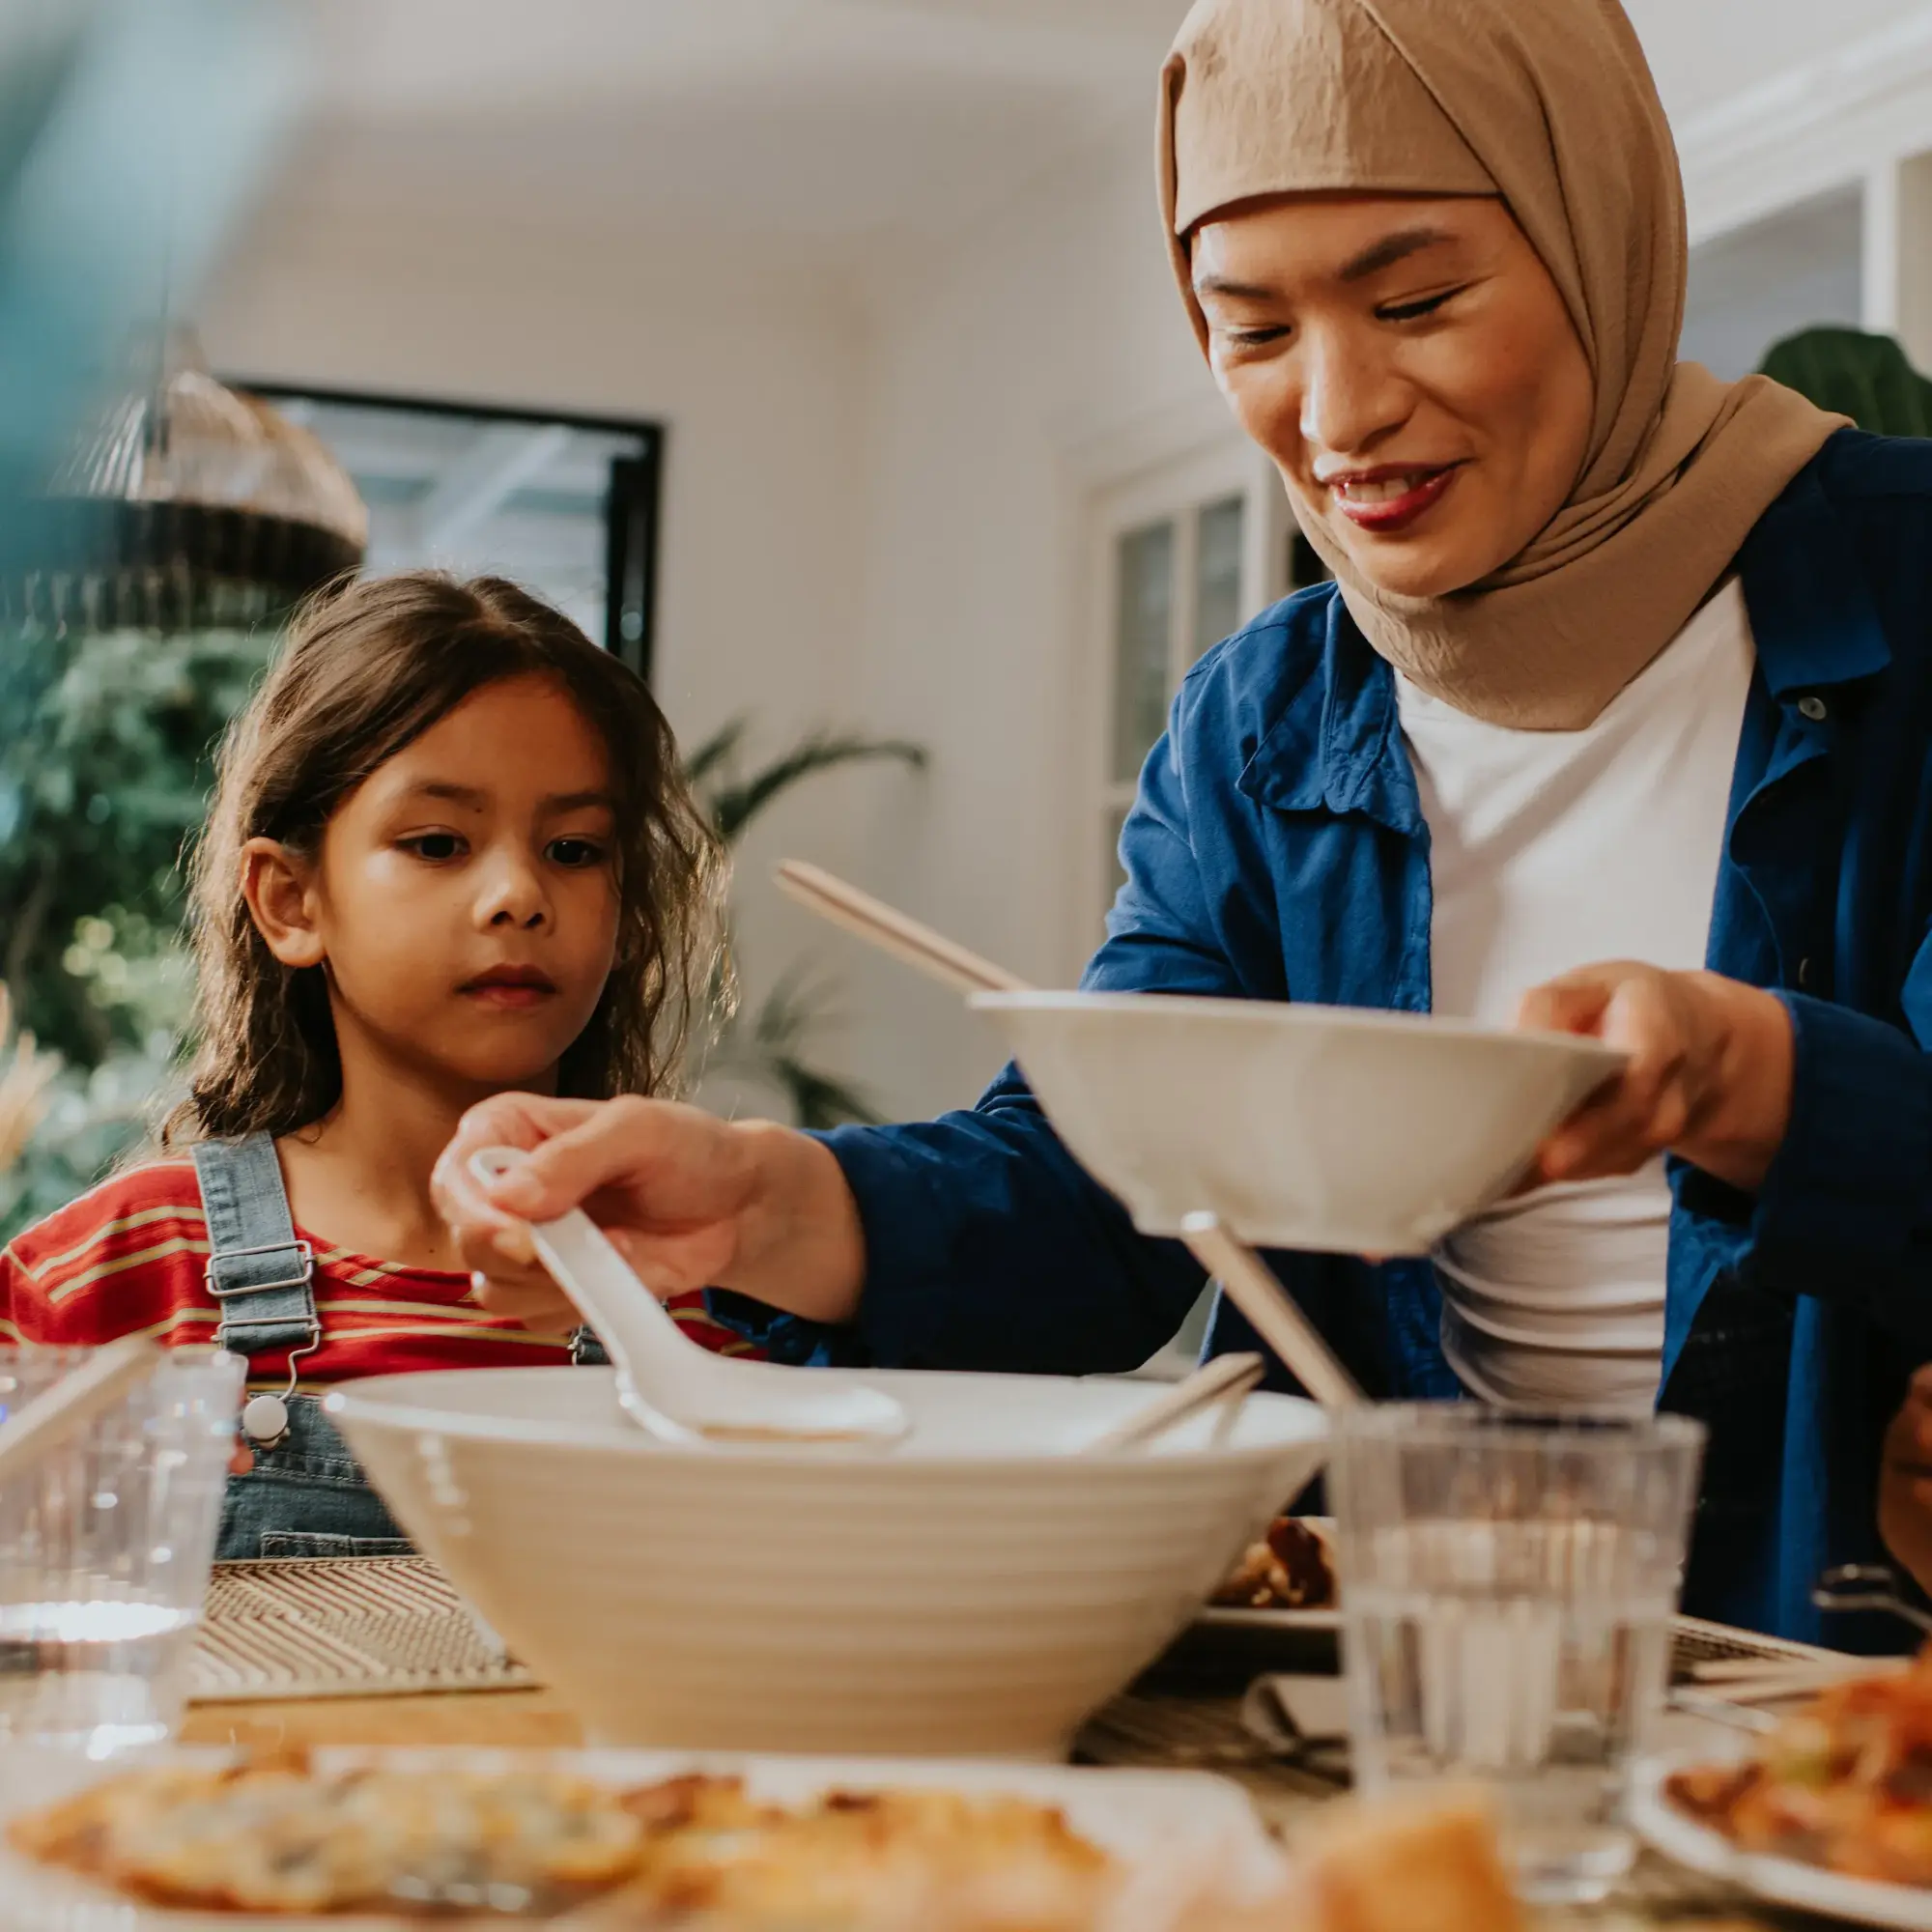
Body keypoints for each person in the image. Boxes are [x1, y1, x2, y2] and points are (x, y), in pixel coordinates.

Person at [437, 0, 1932, 1646]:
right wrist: (760, 1202)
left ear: (1600, 234)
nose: (1340, 411)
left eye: (1418, 300)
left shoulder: (1908, 591)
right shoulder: (1261, 717)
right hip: (1396, 1655)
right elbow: (1112, 1193)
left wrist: (1757, 1082)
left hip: (1837, 1680)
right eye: (1253, 329)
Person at [0, 572, 741, 1558]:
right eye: (438, 842)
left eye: (573, 848)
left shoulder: (713, 1277)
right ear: (291, 899)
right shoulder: (128, 1266)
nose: (518, 893)